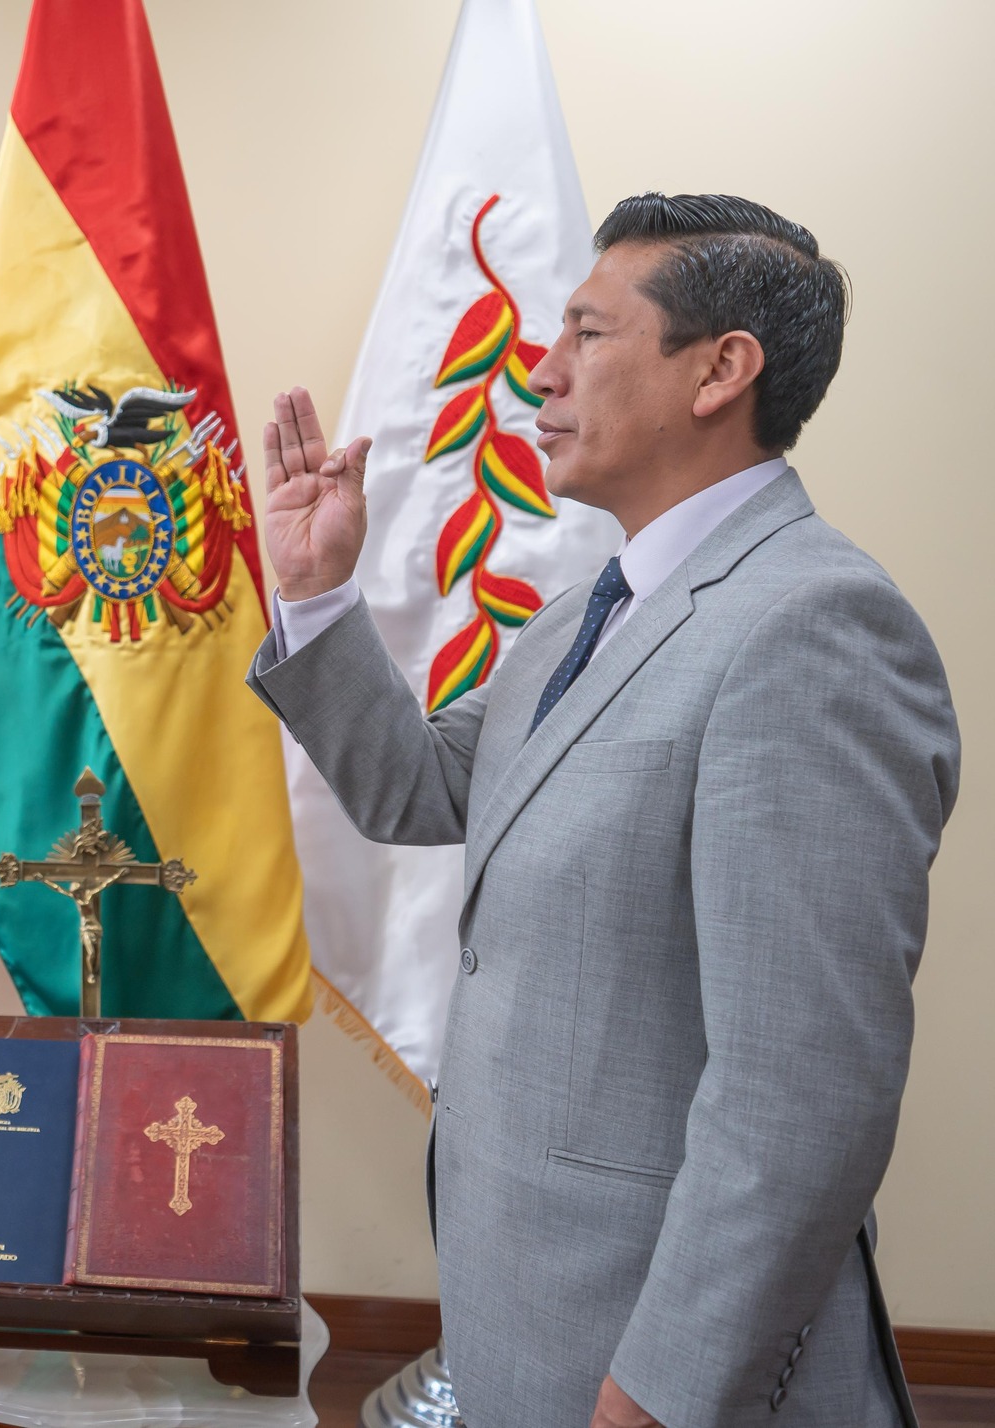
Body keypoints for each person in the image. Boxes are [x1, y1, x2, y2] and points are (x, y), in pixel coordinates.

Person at [249, 195, 957, 1428]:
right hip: (531, 1321)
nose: (537, 370)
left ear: (719, 372)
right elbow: (419, 788)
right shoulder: (588, 608)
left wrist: (657, 1396)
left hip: (668, 1374)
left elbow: (802, 1098)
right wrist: (315, 598)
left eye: (585, 332)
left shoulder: (814, 630)